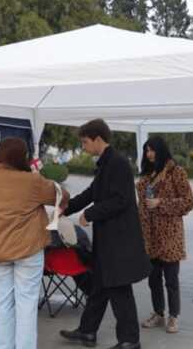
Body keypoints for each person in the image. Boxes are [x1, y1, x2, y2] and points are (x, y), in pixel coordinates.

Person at [60, 119, 150, 349]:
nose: (83, 147)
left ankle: (130, 340)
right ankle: (87, 331)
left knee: (120, 289)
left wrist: (89, 214)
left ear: (98, 138)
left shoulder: (117, 163)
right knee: (99, 287)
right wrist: (65, 208)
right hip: (108, 240)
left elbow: (122, 200)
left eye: (85, 142)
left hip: (118, 240)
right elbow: (92, 192)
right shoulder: (106, 163)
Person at [0, 137, 67, 349]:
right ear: (21, 157)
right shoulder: (31, 181)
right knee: (26, 304)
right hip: (28, 250)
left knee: (3, 304)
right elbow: (61, 195)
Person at [136, 136, 193, 334]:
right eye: (146, 151)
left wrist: (162, 203)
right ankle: (158, 313)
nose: (149, 154)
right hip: (149, 235)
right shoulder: (145, 176)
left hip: (169, 236)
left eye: (152, 150)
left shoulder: (176, 172)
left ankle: (173, 316)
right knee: (153, 280)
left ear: (161, 151)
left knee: (171, 280)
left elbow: (188, 202)